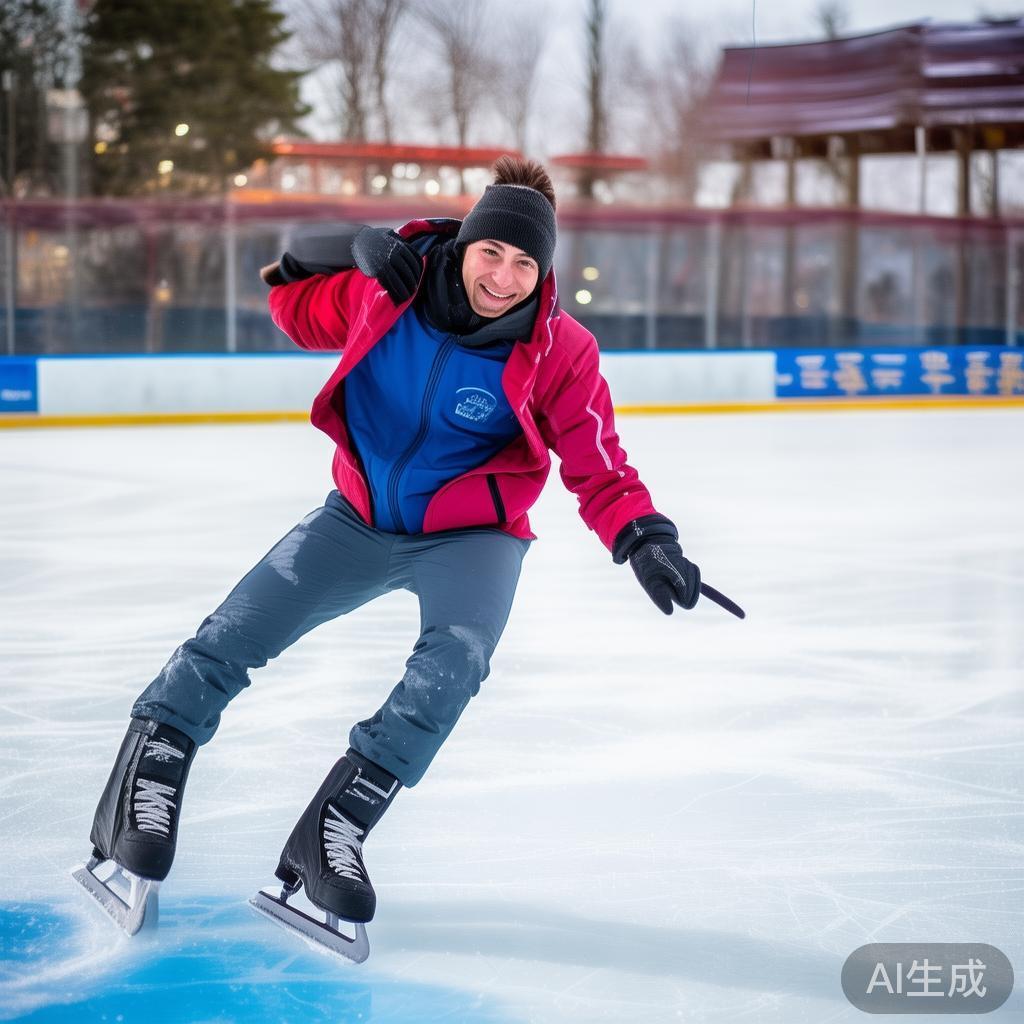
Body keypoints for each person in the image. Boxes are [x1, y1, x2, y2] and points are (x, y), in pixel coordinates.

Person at [77, 155, 742, 958]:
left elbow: (598, 462)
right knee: (234, 633)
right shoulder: (383, 292)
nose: (504, 276)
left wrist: (646, 538)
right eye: (492, 252)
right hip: (357, 517)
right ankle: (145, 784)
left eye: (526, 263)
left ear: (545, 271)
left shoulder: (561, 349)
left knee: (454, 664)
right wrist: (343, 246)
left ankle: (335, 827)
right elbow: (290, 303)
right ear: (466, 242)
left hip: (473, 534)